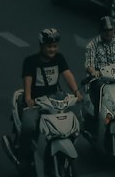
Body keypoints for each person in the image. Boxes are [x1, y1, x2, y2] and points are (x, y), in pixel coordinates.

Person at [20, 28, 81, 159]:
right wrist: (28, 98)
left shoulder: (59, 58)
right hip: (36, 102)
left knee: (73, 122)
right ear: (41, 46)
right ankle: (23, 158)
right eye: (49, 46)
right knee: (29, 126)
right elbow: (28, 80)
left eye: (55, 46)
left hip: (54, 101)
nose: (52, 49)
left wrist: (76, 92)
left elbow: (67, 74)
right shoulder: (30, 61)